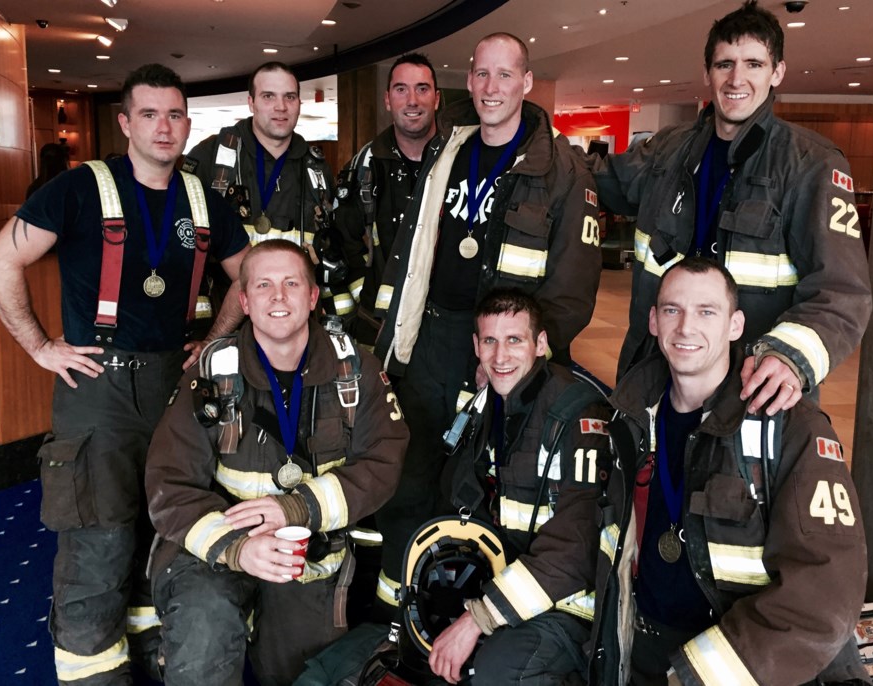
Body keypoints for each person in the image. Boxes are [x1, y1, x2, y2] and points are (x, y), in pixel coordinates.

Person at [0, 64, 250, 684]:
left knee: (170, 524)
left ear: (188, 123)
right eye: (149, 114)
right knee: (97, 537)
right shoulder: (78, 188)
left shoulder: (203, 196)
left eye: (176, 114)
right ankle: (91, 669)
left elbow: (248, 274)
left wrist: (212, 341)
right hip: (96, 386)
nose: (164, 126)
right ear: (125, 122)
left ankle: (155, 649)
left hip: (175, 387)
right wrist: (42, 346)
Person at [372, 32, 602, 610]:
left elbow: (572, 292)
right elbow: (409, 255)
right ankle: (397, 615)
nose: (491, 88)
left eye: (506, 76)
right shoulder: (445, 150)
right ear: (469, 80)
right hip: (431, 341)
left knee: (481, 487)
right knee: (411, 476)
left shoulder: (565, 171)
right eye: (481, 75)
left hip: (505, 360)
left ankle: (466, 609)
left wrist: (511, 362)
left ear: (526, 83)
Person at [588, 257, 867, 685]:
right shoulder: (627, 416)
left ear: (736, 325)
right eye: (672, 310)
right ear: (653, 321)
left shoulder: (791, 428)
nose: (685, 328)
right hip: (644, 650)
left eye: (706, 312)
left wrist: (700, 675)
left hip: (740, 667)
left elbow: (823, 595)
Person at [145, 239, 409, 685]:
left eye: (291, 283)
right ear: (244, 301)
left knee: (309, 675)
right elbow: (168, 482)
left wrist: (297, 508)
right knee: (204, 634)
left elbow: (383, 460)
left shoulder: (356, 368)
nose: (278, 296)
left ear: (312, 297)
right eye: (263, 285)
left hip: (307, 548)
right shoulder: (213, 370)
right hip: (219, 547)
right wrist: (238, 548)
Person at [594, 0, 871, 417]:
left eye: (754, 64)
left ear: (777, 72)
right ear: (708, 73)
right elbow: (599, 178)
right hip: (655, 374)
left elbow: (842, 291)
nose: (736, 78)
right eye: (724, 64)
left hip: (750, 390)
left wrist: (790, 357)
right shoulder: (670, 149)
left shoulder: (811, 164)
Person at [426, 288, 610, 685]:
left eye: (514, 340)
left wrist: (479, 617)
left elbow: (575, 551)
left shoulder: (577, 415)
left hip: (570, 606)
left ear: (540, 343)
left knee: (496, 671)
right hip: (506, 585)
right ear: (476, 346)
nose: (500, 356)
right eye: (490, 341)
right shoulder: (486, 404)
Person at [184, 62, 348, 315]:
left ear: (298, 104)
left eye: (289, 97)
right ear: (251, 103)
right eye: (268, 96)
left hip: (293, 317)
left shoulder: (316, 167)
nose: (280, 107)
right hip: (227, 314)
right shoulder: (211, 157)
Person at [335, 52, 440, 346]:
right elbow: (346, 246)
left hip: (443, 330)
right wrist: (367, 309)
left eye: (422, 88)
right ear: (387, 100)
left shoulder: (459, 162)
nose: (412, 100)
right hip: (379, 331)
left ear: (437, 99)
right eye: (401, 89)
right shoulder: (362, 168)